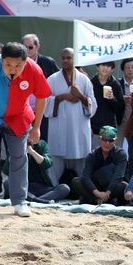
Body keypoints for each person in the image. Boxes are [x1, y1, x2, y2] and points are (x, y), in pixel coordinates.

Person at [0, 42, 52, 218]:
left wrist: (37, 127)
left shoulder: (33, 69)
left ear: (26, 61)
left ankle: (20, 201)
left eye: (18, 65)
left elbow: (42, 97)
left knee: (19, 158)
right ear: (1, 60)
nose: (13, 69)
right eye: (8, 64)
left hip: (19, 116)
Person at [44, 48, 97, 186]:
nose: (66, 60)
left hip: (78, 128)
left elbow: (93, 105)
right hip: (59, 127)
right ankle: (54, 188)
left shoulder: (84, 80)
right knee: (56, 160)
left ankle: (83, 189)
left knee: (81, 161)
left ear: (75, 59)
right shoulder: (52, 79)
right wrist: (62, 97)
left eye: (69, 58)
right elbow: (44, 102)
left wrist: (80, 95)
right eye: (64, 58)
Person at [70, 126, 128, 205]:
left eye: (111, 140)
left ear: (115, 141)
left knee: (124, 186)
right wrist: (97, 193)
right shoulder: (92, 155)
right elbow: (85, 176)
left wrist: (108, 192)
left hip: (111, 188)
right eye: (104, 140)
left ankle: (97, 200)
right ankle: (97, 200)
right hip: (95, 188)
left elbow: (118, 176)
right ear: (99, 139)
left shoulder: (120, 154)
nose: (107, 143)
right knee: (76, 181)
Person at [90, 61, 125, 149]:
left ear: (112, 69)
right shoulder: (90, 83)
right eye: (103, 65)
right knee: (94, 156)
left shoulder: (115, 84)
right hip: (93, 127)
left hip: (109, 127)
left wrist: (112, 99)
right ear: (97, 67)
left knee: (108, 156)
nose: (105, 68)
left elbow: (120, 107)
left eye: (109, 66)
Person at [116, 58, 133, 148]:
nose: (130, 70)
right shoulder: (117, 83)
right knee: (117, 147)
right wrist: (121, 99)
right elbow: (111, 100)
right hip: (120, 121)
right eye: (127, 67)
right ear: (123, 69)